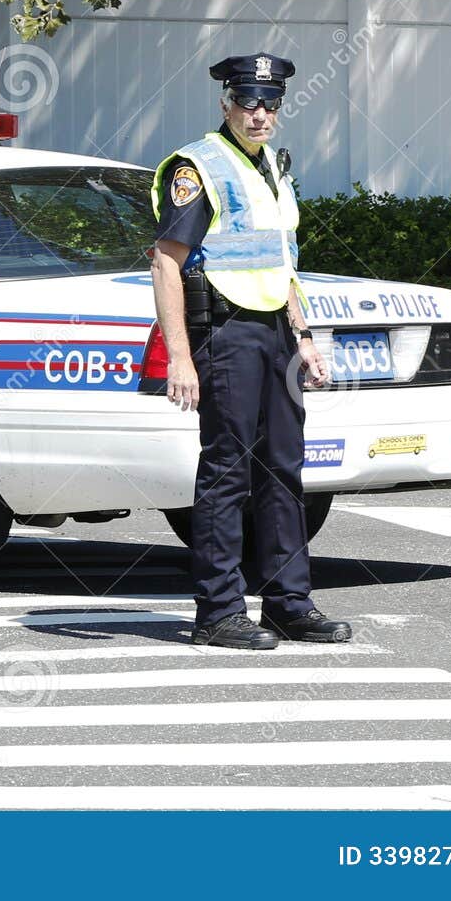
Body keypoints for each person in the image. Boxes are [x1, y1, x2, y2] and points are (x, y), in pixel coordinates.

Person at [149, 53, 352, 650]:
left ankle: (289, 603)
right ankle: (217, 611)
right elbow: (166, 261)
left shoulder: (273, 168)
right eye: (248, 101)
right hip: (228, 333)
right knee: (226, 472)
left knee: (285, 470)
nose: (260, 113)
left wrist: (305, 336)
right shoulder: (200, 167)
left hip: (277, 335)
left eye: (270, 103)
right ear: (226, 104)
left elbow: (281, 263)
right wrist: (180, 358)